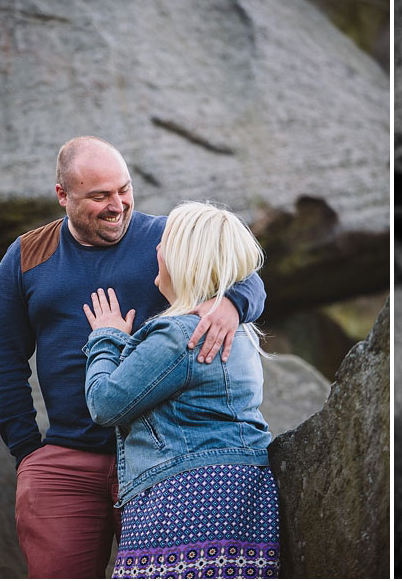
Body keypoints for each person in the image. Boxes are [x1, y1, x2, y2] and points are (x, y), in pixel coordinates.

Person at [0, 137, 266, 578]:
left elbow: (244, 271)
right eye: (99, 196)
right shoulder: (25, 256)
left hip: (159, 460)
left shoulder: (165, 238)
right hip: (67, 461)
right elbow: (3, 361)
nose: (117, 205)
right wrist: (28, 452)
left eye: (124, 189)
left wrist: (232, 302)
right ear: (63, 195)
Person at [83, 201, 279, 579]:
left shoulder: (181, 335)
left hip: (185, 496)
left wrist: (105, 338)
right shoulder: (240, 331)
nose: (155, 250)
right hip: (244, 492)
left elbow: (105, 404)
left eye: (165, 243)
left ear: (181, 258)